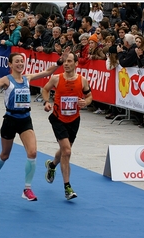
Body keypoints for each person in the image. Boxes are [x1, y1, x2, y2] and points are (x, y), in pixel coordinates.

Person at [0, 51, 69, 201]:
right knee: (5, 155)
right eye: (17, 61)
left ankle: (27, 189)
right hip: (10, 120)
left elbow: (47, 72)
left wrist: (59, 62)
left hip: (25, 120)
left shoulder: (27, 78)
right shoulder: (5, 80)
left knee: (33, 152)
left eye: (22, 61)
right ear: (10, 64)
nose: (20, 64)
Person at [41, 52, 93, 200]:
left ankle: (52, 165)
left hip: (74, 119)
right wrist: (46, 102)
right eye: (64, 61)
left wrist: (86, 102)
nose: (66, 64)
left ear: (76, 64)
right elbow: (45, 89)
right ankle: (67, 187)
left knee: (65, 150)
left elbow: (89, 96)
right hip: (58, 118)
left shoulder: (82, 81)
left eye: (69, 61)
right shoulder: (56, 79)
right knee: (67, 151)